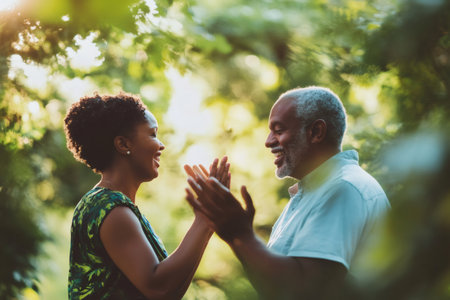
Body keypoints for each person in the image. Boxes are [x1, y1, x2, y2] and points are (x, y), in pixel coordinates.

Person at [184, 86, 391, 299]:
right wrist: (236, 236)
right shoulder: (310, 195)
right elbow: (274, 289)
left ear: (316, 132)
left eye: (279, 130)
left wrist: (242, 236)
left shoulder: (344, 189)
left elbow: (307, 290)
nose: (268, 141)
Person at [64, 93, 230, 299]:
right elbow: (158, 288)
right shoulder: (111, 210)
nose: (161, 146)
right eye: (152, 134)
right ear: (123, 145)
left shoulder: (108, 205)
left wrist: (209, 220)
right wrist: (204, 219)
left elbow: (171, 292)